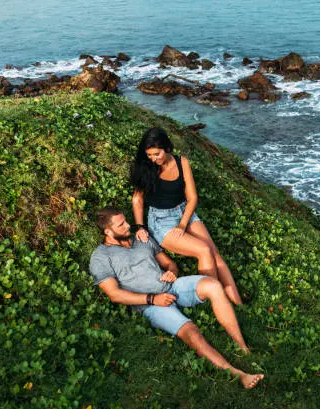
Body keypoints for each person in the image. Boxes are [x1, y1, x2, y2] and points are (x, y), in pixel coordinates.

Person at [88, 207, 263, 389]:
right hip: (150, 305)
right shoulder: (100, 257)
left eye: (126, 221)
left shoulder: (141, 238)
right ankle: (239, 374)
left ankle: (243, 347)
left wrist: (172, 272)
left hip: (171, 287)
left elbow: (169, 262)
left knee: (213, 285)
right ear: (108, 231)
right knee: (191, 332)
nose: (127, 225)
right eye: (121, 224)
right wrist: (152, 300)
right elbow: (114, 294)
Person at [130, 127, 242, 305]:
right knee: (203, 251)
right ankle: (213, 299)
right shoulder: (146, 167)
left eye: (156, 154)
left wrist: (182, 224)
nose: (153, 158)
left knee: (214, 253)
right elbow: (137, 199)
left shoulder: (182, 163)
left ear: (166, 148)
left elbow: (192, 198)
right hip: (161, 220)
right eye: (150, 155)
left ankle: (237, 303)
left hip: (184, 212)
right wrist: (140, 227)